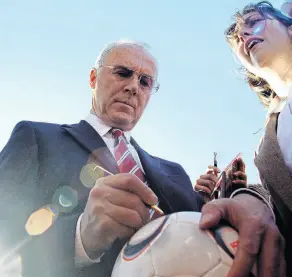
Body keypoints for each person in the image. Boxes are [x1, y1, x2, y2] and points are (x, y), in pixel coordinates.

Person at [0, 39, 284, 277]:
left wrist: (241, 194)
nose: (134, 86)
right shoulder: (36, 138)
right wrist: (79, 238)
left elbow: (214, 228)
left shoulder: (174, 172)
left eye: (145, 81)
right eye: (123, 73)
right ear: (93, 78)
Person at [198, 1, 292, 276]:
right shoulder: (267, 143)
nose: (245, 36)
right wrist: (246, 197)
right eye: (239, 37)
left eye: (254, 22)